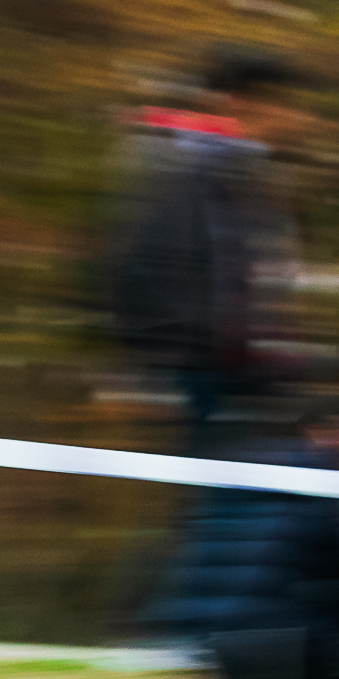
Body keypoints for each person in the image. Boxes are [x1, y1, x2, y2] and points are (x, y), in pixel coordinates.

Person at [112, 44, 313, 458]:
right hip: (204, 372)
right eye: (284, 103)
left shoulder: (247, 169)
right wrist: (171, 364)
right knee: (223, 482)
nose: (296, 117)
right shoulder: (194, 167)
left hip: (241, 372)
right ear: (243, 101)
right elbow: (154, 263)